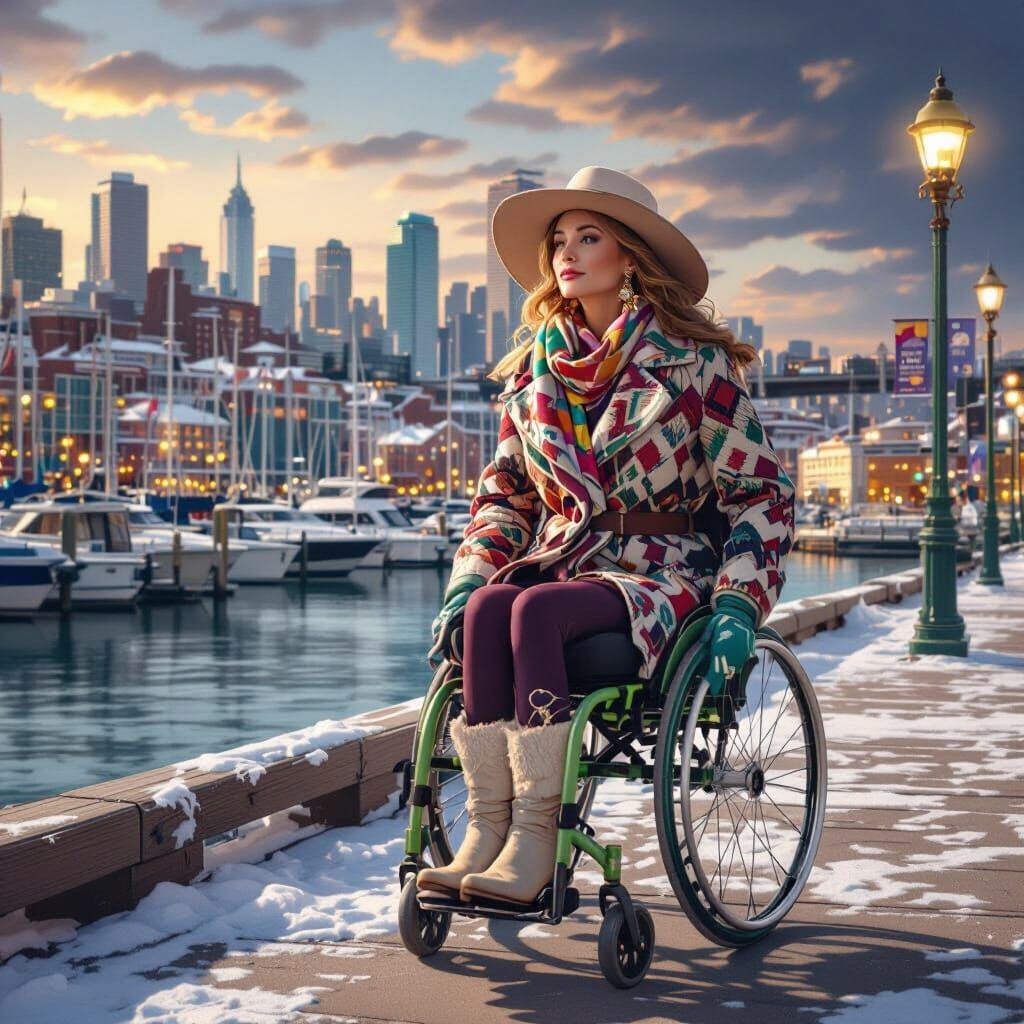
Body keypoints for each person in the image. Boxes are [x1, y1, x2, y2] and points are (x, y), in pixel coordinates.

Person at [417, 166, 795, 907]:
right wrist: (469, 576)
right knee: (490, 608)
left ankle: (535, 839)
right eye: (559, 239)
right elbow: (506, 498)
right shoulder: (533, 375)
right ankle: (486, 834)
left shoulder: (695, 364)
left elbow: (761, 494)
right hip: (564, 564)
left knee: (530, 611)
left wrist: (739, 604)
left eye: (589, 236)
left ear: (630, 258)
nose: (567, 251)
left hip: (664, 569)